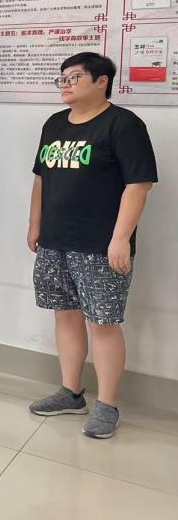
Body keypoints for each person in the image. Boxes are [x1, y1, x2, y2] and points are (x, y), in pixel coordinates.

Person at [26, 53, 156, 439]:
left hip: (100, 245)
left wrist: (120, 238)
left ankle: (108, 405)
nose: (65, 84)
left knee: (103, 323)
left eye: (74, 77)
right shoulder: (54, 124)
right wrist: (35, 224)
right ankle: (71, 392)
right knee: (65, 315)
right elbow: (40, 178)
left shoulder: (124, 124)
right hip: (54, 241)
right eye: (62, 78)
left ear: (102, 82)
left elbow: (138, 185)